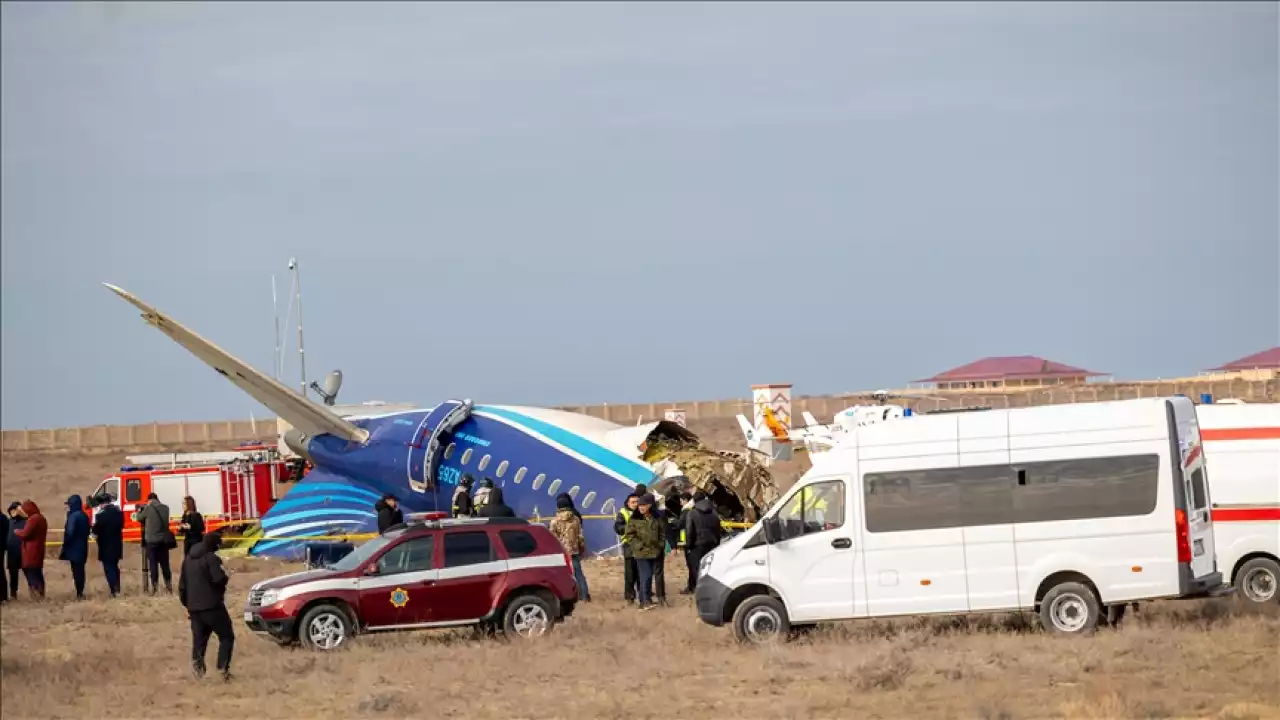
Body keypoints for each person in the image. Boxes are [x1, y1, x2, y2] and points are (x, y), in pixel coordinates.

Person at [179, 532, 234, 682]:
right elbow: (218, 579)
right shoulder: (211, 558)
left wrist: (188, 604)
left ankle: (198, 673)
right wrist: (225, 577)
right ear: (214, 545)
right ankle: (222, 671)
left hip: (194, 608)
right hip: (212, 606)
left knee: (199, 641)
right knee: (227, 636)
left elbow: (182, 586)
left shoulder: (188, 560)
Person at [623, 494, 665, 611]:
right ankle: (645, 601)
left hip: (655, 552)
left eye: (643, 505)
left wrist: (661, 545)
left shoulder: (656, 518)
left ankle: (644, 600)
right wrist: (639, 546)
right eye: (639, 505)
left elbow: (662, 532)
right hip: (641, 553)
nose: (640, 507)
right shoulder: (634, 519)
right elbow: (629, 535)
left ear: (650, 505)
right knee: (645, 576)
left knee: (648, 576)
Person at [550, 493, 591, 602]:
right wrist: (581, 548)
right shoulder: (576, 519)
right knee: (578, 573)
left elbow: (552, 537)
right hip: (574, 550)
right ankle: (585, 595)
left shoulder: (554, 521)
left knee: (562, 575)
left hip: (561, 551)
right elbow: (580, 536)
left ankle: (567, 596)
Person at [683, 490, 723, 593]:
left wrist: (688, 546)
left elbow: (689, 532)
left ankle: (701, 592)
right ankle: (709, 589)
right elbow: (718, 529)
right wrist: (717, 544)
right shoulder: (714, 512)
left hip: (697, 546)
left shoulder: (692, 513)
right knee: (710, 569)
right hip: (712, 544)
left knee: (696, 569)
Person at [134, 493, 172, 595]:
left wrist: (139, 510)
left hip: (151, 541)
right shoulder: (166, 508)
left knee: (153, 565)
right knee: (165, 565)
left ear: (149, 500)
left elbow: (139, 518)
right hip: (163, 541)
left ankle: (155, 588)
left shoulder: (148, 508)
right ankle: (169, 587)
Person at [90, 496, 124, 597]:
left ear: (102, 504)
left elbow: (95, 531)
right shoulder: (119, 513)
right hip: (117, 545)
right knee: (115, 566)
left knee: (109, 568)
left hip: (105, 546)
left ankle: (114, 590)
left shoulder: (101, 516)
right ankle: (117, 587)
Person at [13, 500, 47, 599]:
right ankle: (41, 595)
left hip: (31, 551)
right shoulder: (41, 518)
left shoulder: (33, 519)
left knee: (32, 574)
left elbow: (25, 533)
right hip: (38, 550)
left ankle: (35, 595)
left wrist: (17, 532)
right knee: (37, 573)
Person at [59, 494, 90, 600]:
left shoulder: (73, 517)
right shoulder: (85, 516)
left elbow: (69, 533)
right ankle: (81, 591)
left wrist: (65, 544)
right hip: (83, 547)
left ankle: (79, 593)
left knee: (76, 571)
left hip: (74, 549)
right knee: (81, 571)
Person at [613, 494, 640, 603]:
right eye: (633, 502)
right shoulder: (623, 513)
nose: (635, 504)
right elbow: (618, 527)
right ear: (628, 503)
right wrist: (631, 528)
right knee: (630, 573)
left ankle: (643, 595)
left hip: (642, 545)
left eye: (637, 501)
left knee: (642, 572)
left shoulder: (642, 512)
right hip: (629, 545)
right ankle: (629, 596)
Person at [6, 502, 25, 600]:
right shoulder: (9, 522)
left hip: (24, 551)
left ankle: (35, 592)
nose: (13, 512)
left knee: (28, 572)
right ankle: (13, 594)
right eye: (11, 510)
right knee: (13, 574)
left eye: (15, 510)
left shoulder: (26, 521)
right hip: (11, 552)